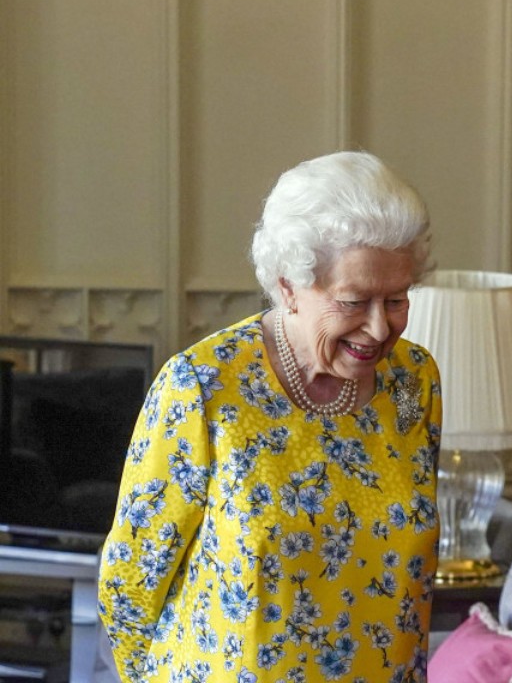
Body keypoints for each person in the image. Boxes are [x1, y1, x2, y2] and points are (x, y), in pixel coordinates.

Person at [97, 151, 441, 683]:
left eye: (396, 299)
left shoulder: (414, 382)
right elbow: (130, 583)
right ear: (288, 286)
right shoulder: (203, 387)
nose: (379, 328)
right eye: (354, 302)